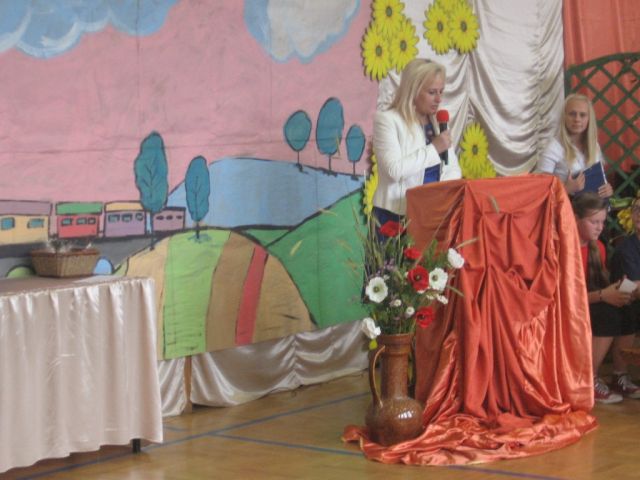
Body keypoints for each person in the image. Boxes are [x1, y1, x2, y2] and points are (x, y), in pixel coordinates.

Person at [372, 59, 462, 226]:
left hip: (431, 214)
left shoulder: (438, 123)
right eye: (432, 92)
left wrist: (439, 197)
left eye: (441, 92)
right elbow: (394, 171)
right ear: (413, 90)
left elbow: (452, 169)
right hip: (394, 216)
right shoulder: (387, 120)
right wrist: (434, 148)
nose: (438, 99)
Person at [572, 192, 639, 404]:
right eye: (594, 222)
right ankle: (588, 379)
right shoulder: (566, 249)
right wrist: (604, 295)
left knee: (627, 308)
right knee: (607, 313)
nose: (600, 227)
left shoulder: (598, 247)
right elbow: (566, 297)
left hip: (590, 301)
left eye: (602, 222)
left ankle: (619, 374)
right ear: (575, 219)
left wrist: (617, 290)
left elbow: (599, 285)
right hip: (567, 309)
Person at [537, 93, 613, 198]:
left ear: (589, 119)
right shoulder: (553, 147)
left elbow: (601, 179)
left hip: (593, 206)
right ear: (564, 117)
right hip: (565, 206)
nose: (577, 119)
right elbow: (540, 189)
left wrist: (607, 189)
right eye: (572, 114)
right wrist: (566, 189)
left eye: (582, 115)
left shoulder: (594, 146)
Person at [609, 197, 640, 399]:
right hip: (624, 301)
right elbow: (632, 288)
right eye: (637, 209)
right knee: (628, 309)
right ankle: (619, 375)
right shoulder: (626, 249)